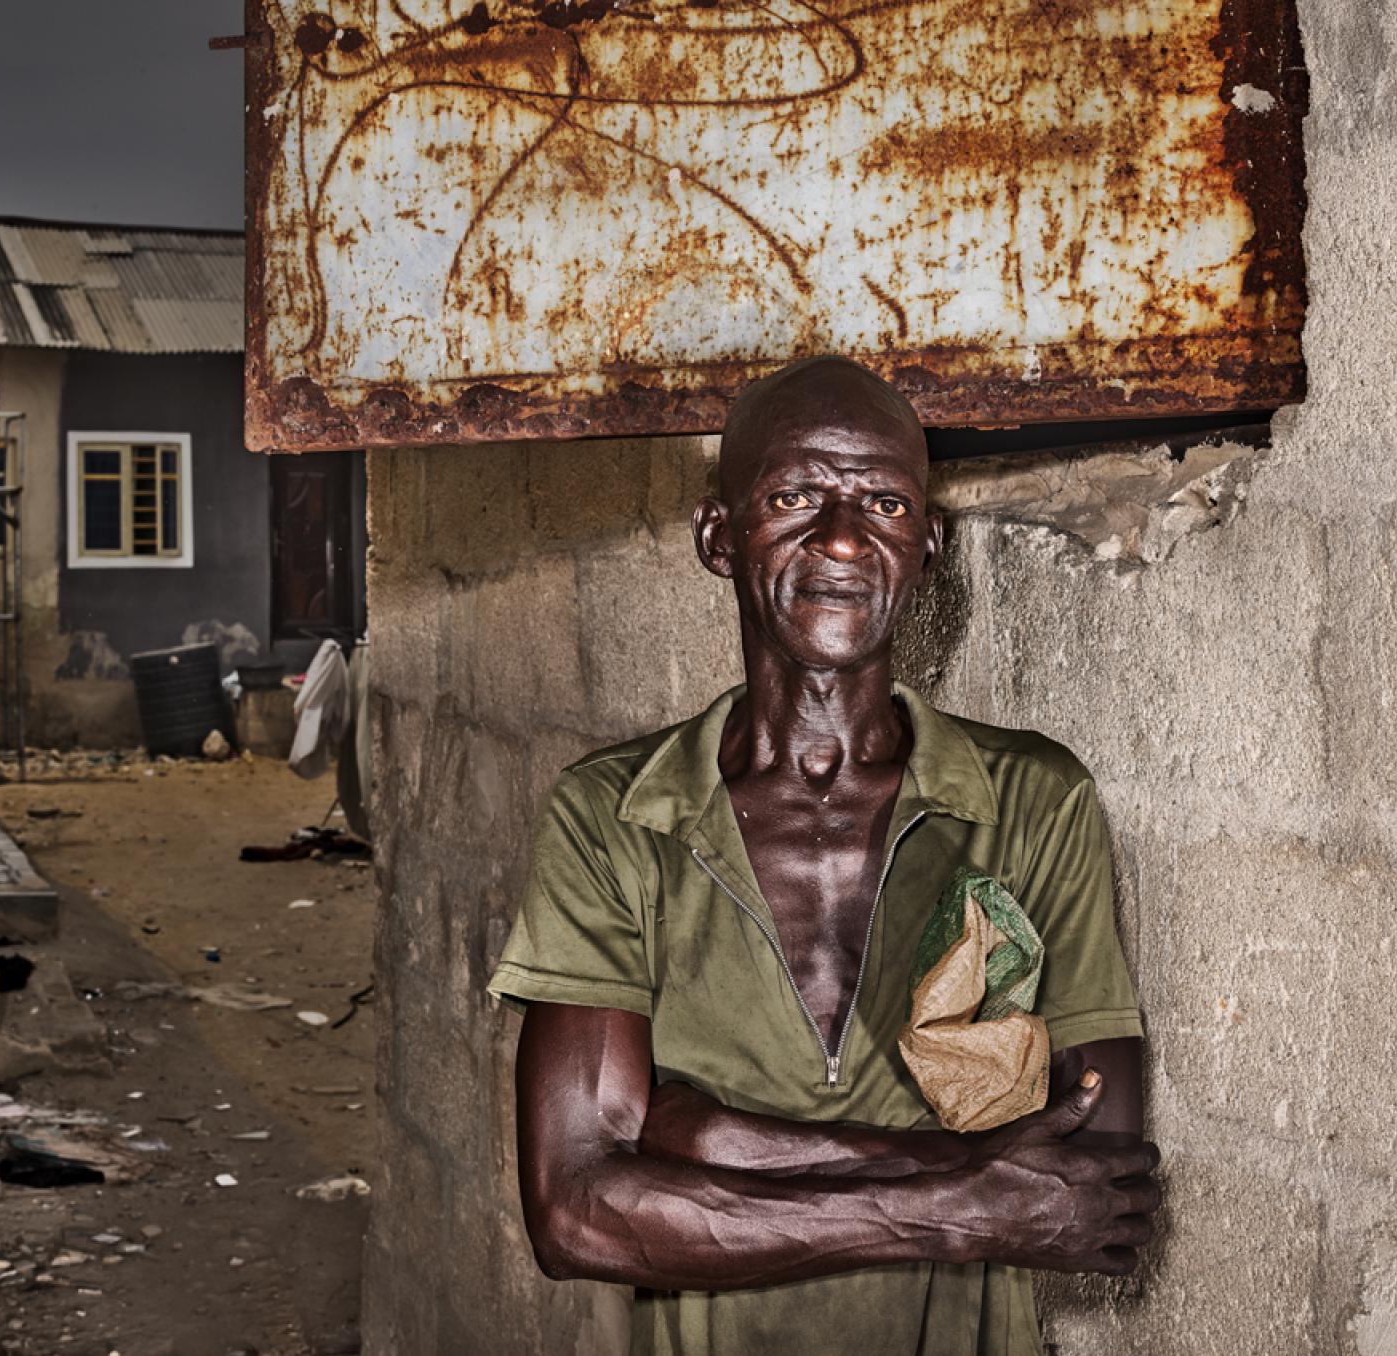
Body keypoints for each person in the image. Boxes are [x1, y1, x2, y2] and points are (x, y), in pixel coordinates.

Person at [489, 356, 1161, 1355]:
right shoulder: (616, 814)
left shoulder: (1031, 797)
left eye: (883, 499)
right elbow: (579, 1212)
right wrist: (957, 1201)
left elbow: (1098, 1185)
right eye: (795, 494)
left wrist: (708, 1136)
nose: (842, 538)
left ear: (928, 544)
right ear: (722, 537)